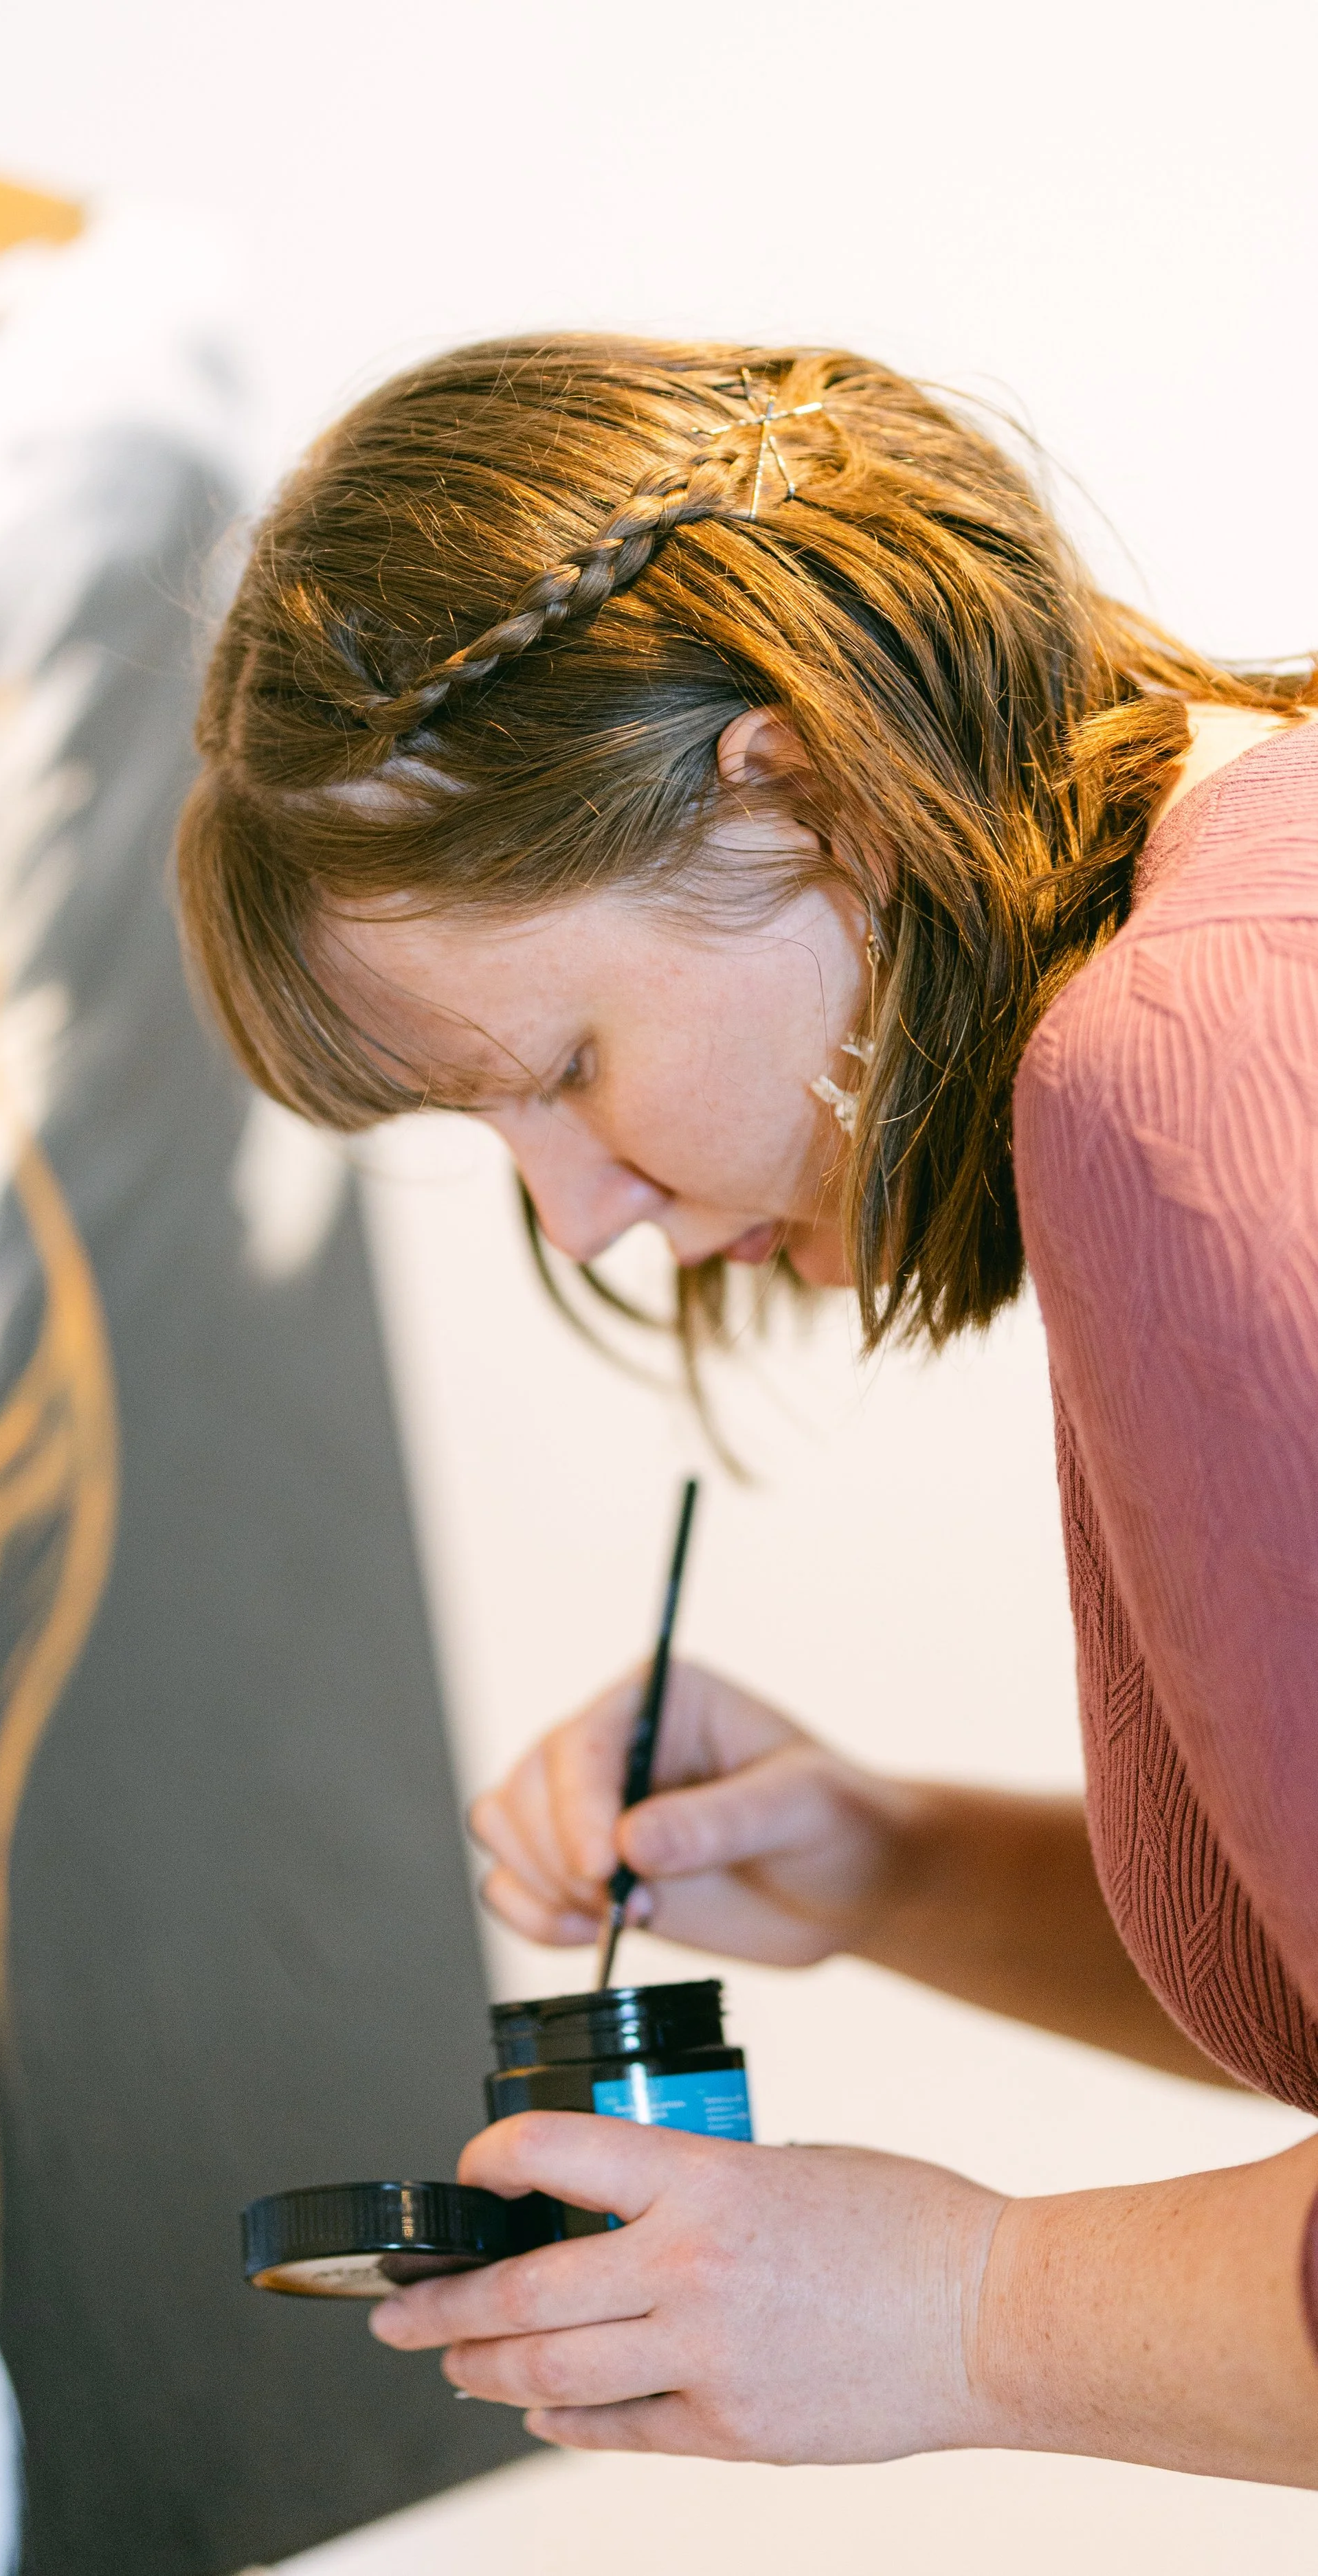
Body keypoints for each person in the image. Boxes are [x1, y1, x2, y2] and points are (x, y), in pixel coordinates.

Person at [177, 338, 1318, 2484]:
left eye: (556, 1068)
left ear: (794, 797)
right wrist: (893, 1866)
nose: (583, 1213)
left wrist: (967, 2313)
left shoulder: (1185, 1066)